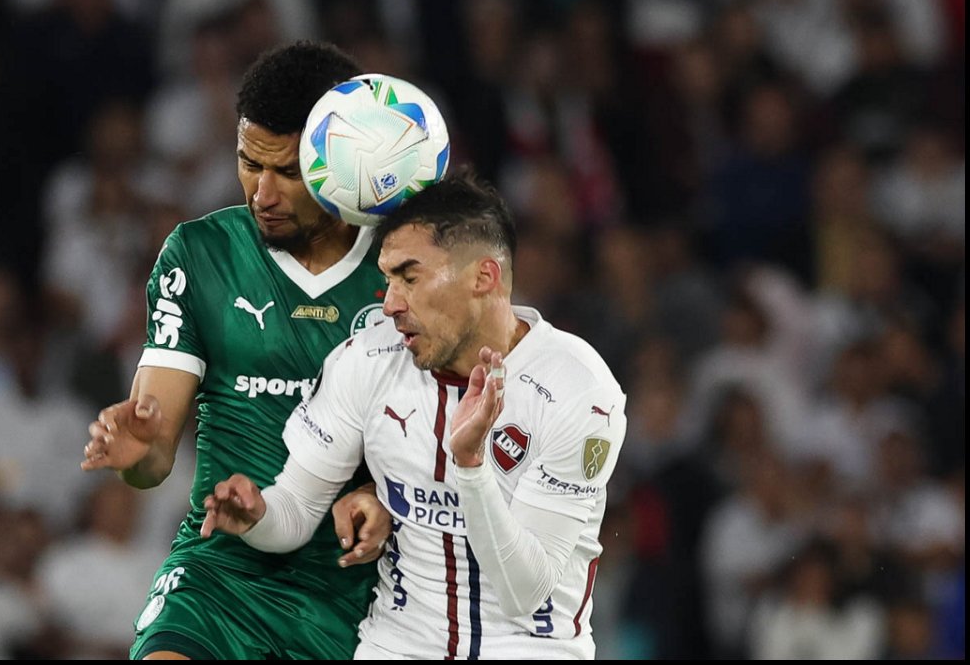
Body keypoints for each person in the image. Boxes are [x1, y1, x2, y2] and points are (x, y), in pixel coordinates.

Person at [202, 172, 629, 659]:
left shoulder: (577, 390)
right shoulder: (367, 359)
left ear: (483, 277)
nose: (390, 304)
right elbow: (296, 511)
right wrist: (259, 516)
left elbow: (524, 592)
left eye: (410, 277)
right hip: (398, 645)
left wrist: (469, 468)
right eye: (387, 279)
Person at [80, 41, 392, 660]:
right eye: (249, 163)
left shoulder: (403, 268)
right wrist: (138, 451)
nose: (262, 193)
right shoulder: (201, 255)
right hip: (222, 573)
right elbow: (153, 456)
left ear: (346, 161)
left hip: (362, 592)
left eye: (288, 172)